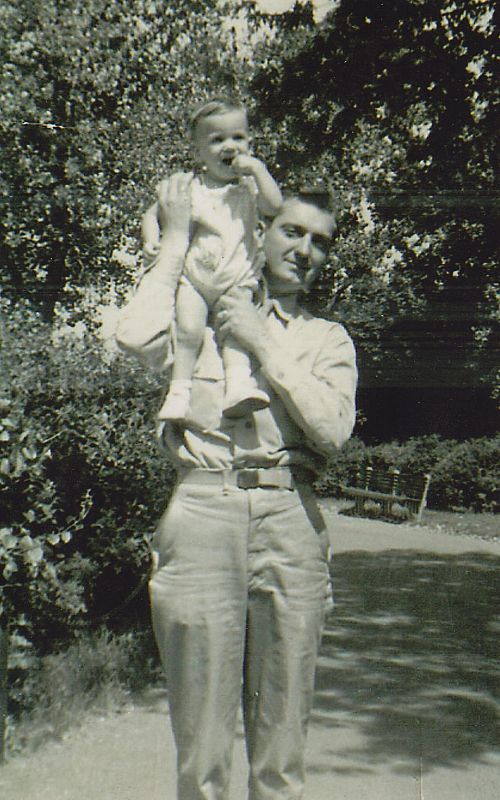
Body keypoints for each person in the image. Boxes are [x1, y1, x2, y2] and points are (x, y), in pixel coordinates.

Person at [116, 175, 357, 800]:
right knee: (201, 752)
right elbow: (133, 336)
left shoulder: (327, 339)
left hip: (289, 516)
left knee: (281, 749)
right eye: (292, 231)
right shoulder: (196, 311)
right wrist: (175, 243)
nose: (305, 250)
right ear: (259, 231)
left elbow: (332, 430)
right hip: (203, 507)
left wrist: (260, 339)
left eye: (321, 241)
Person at [141, 96, 282, 421]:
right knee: (188, 330)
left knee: (236, 331)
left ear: (249, 143)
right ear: (198, 152)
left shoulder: (250, 187)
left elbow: (275, 206)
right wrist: (151, 238)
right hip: (197, 278)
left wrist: (258, 169)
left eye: (238, 137)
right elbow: (152, 214)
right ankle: (179, 393)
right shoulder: (192, 187)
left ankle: (238, 384)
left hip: (237, 277)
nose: (229, 146)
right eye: (217, 140)